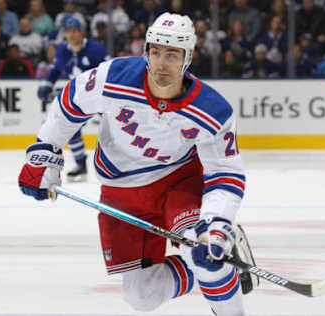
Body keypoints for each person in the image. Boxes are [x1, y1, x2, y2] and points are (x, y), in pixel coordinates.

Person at [19, 12, 254, 316]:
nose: (161, 63)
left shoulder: (212, 110)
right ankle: (214, 267)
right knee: (141, 295)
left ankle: (220, 286)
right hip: (121, 191)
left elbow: (225, 173)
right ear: (145, 51)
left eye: (172, 55)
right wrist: (45, 151)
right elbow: (70, 102)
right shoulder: (114, 77)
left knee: (202, 248)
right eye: (155, 52)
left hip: (179, 181)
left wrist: (216, 223)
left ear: (188, 57)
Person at [37, 17, 108, 182]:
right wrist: (46, 85)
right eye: (68, 31)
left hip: (101, 96)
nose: (71, 34)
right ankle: (81, 164)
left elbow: (109, 69)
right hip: (79, 97)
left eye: (75, 31)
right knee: (70, 128)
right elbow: (55, 70)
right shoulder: (62, 50)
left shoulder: (95, 48)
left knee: (112, 129)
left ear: (82, 31)